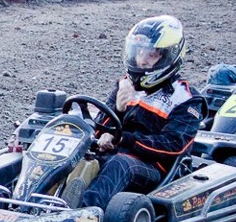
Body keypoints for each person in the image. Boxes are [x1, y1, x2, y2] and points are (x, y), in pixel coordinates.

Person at [73, 15, 204, 211]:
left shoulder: (185, 98)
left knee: (119, 164)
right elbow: (98, 129)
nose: (141, 61)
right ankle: (37, 202)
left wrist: (124, 139)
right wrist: (117, 109)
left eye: (151, 55)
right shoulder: (124, 85)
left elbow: (174, 146)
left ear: (169, 55)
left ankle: (83, 214)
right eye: (139, 52)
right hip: (115, 153)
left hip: (154, 167)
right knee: (77, 154)